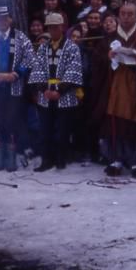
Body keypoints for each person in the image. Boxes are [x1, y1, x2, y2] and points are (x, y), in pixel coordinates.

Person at [89, 3, 136, 178]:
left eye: (130, 14)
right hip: (114, 86)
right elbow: (97, 60)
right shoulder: (108, 39)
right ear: (119, 16)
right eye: (123, 14)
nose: (126, 17)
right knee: (114, 122)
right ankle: (115, 159)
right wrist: (108, 57)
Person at [0, 5, 35, 171]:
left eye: (4, 18)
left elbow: (30, 58)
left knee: (12, 121)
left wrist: (16, 74)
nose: (1, 21)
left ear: (10, 18)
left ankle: (11, 158)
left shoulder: (21, 38)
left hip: (14, 86)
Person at [28, 13, 83, 171]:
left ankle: (61, 158)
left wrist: (60, 89)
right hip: (46, 93)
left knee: (62, 129)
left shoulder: (72, 47)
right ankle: (47, 159)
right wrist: (44, 89)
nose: (53, 30)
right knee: (45, 129)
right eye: (50, 27)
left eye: (55, 27)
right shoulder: (43, 47)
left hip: (65, 94)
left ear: (62, 27)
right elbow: (37, 69)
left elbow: (74, 70)